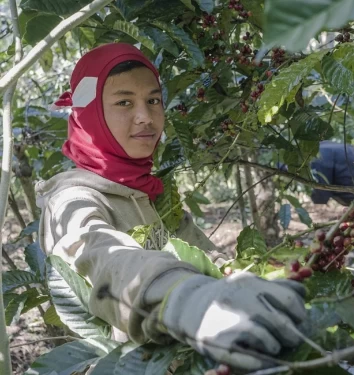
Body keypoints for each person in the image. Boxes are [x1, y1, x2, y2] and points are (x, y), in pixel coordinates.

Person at [35, 43, 307, 372]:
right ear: (88, 113)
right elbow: (98, 255)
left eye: (153, 100)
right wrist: (184, 299)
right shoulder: (69, 201)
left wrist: (256, 279)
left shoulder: (151, 192)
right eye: (124, 102)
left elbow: (208, 260)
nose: (145, 118)